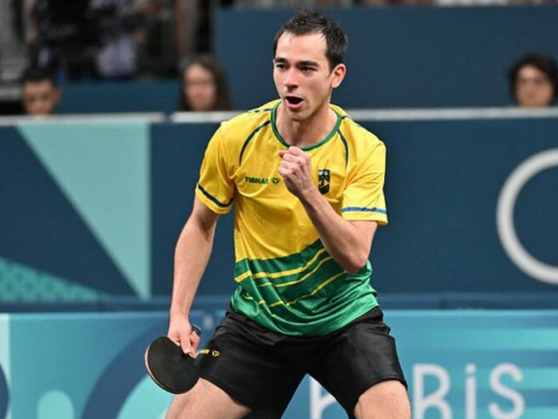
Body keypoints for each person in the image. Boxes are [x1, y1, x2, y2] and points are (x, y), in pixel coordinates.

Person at [166, 9, 411, 419]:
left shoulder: (363, 149)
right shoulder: (235, 138)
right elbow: (200, 225)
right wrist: (178, 313)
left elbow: (355, 256)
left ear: (336, 75)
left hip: (341, 319)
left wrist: (309, 193)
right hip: (257, 323)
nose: (290, 80)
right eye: (282, 66)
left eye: (306, 68)